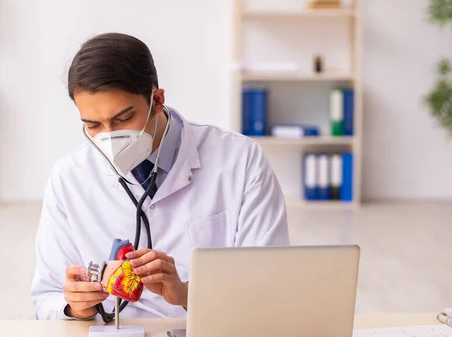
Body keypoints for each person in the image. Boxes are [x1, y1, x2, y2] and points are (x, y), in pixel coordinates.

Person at [31, 33, 289, 321]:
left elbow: (268, 288)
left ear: (157, 99)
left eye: (123, 119)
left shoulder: (240, 161)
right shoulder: (69, 177)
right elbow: (47, 298)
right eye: (93, 125)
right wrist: (75, 306)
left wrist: (187, 293)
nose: (109, 137)